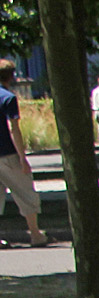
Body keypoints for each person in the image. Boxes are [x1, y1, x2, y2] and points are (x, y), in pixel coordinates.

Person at [0, 61, 47, 247]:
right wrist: (22, 157)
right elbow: (14, 129)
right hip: (8, 154)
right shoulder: (8, 98)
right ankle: (35, 234)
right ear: (11, 76)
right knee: (25, 193)